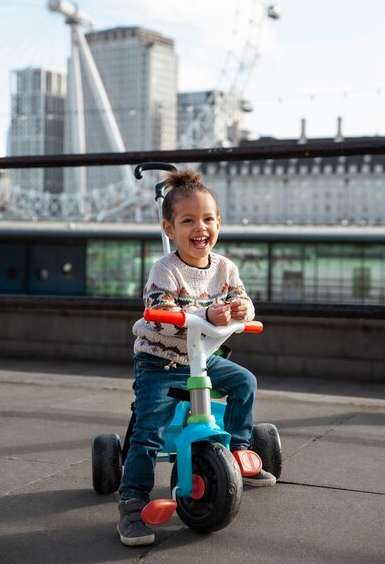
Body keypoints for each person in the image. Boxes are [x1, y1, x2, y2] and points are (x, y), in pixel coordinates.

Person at [117, 168, 276, 547]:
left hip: (202, 357)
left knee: (244, 382)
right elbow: (161, 313)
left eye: (207, 219)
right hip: (161, 360)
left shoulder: (225, 268)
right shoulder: (164, 271)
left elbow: (244, 301)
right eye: (188, 220)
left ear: (218, 223)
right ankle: (132, 502)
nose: (199, 227)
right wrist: (204, 315)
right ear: (170, 229)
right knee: (148, 430)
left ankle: (237, 449)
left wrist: (240, 312)